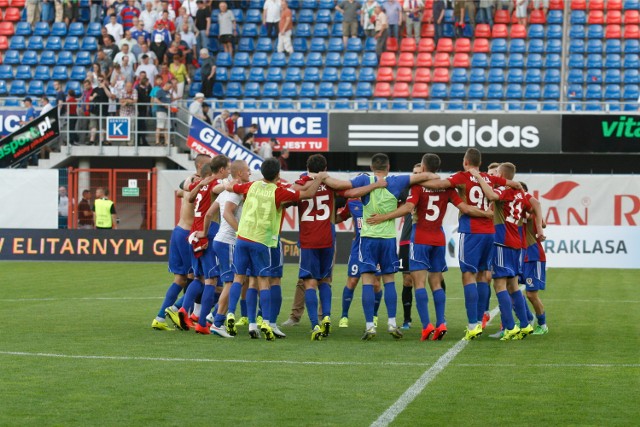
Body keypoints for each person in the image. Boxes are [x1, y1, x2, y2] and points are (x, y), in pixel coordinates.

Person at [367, 154, 490, 341]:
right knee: (436, 282)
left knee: (419, 283)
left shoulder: (417, 187)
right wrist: (485, 213)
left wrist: (383, 217)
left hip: (420, 238)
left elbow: (408, 208)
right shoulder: (447, 188)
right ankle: (441, 322)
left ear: (423, 168)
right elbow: (465, 208)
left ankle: (426, 326)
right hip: (439, 238)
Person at [322, 153, 440, 340]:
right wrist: (427, 176)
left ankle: (370, 326)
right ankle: (392, 323)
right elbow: (429, 176)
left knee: (368, 281)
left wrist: (320, 176)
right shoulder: (398, 180)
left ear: (371, 167)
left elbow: (341, 188)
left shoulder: (363, 179)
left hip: (367, 239)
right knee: (389, 280)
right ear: (388, 166)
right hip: (388, 238)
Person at [223, 158, 329, 340]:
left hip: (242, 237)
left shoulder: (251, 186)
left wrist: (228, 183)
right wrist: (320, 179)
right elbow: (306, 194)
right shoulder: (279, 191)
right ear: (278, 174)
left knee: (241, 279)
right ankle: (268, 322)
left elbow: (230, 187)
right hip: (265, 240)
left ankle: (236, 316)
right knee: (271, 281)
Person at [423, 148, 522, 340]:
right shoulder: (488, 178)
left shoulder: (461, 176)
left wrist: (416, 181)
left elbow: (440, 184)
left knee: (468, 275)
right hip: (490, 233)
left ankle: (472, 325)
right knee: (483, 275)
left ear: (465, 161)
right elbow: (513, 183)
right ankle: (480, 318)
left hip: (471, 232)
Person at [470, 163, 533, 340]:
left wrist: (479, 176)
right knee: (513, 286)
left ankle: (510, 327)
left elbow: (490, 195)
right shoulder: (520, 193)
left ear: (503, 174)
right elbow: (530, 207)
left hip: (501, 242)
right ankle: (525, 324)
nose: (495, 175)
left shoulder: (505, 191)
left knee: (499, 286)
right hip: (515, 242)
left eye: (497, 173)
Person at [152, 154, 212, 331]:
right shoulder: (199, 184)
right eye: (209, 164)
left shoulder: (189, 182)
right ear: (201, 166)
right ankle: (179, 311)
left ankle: (160, 317)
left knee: (180, 278)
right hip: (188, 234)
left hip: (178, 230)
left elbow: (180, 192)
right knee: (196, 277)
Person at [179, 156, 229, 334]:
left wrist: (199, 183)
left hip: (194, 233)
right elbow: (222, 187)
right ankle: (202, 322)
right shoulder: (216, 184)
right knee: (211, 280)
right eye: (228, 168)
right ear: (221, 170)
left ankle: (184, 310)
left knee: (198, 277)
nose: (229, 171)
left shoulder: (199, 185)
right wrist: (237, 184)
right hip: (207, 234)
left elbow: (188, 196)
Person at [205, 160, 252, 336]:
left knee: (232, 281)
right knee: (231, 283)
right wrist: (240, 232)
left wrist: (204, 232)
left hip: (219, 240)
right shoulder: (235, 192)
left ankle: (213, 314)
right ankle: (218, 323)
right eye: (247, 171)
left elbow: (210, 213)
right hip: (228, 241)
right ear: (239, 173)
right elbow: (226, 213)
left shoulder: (226, 190)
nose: (250, 173)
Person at [519, 182, 548, 335]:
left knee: (531, 294)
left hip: (533, 256)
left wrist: (540, 229)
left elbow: (542, 222)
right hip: (519, 255)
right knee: (511, 289)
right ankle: (528, 318)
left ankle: (542, 325)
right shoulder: (514, 210)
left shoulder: (530, 212)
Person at [153, 80, 172, 146]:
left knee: (166, 127)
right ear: (166, 85)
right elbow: (156, 100)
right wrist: (164, 105)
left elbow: (170, 100)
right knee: (159, 126)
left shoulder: (168, 92)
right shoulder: (160, 91)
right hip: (161, 111)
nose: (170, 88)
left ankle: (167, 142)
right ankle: (157, 141)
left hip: (167, 111)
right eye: (169, 87)